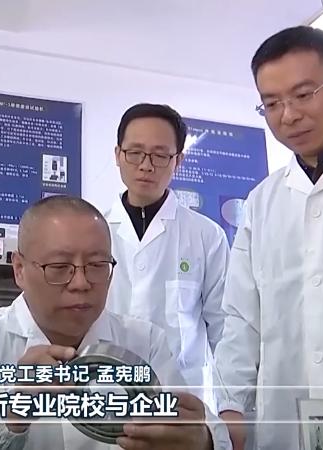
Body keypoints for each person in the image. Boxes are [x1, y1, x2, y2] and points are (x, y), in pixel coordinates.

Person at [0, 195, 231, 449]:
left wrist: (201, 441)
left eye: (97, 265)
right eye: (59, 267)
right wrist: (12, 414)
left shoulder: (145, 342)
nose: (81, 283)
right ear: (19, 270)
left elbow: (211, 430)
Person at [212, 26, 323, 449]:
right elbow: (241, 318)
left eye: (303, 94)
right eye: (271, 103)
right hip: (284, 425)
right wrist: (231, 406)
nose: (288, 115)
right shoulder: (263, 201)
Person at [103, 103, 229, 410]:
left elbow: (225, 330)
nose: (146, 166)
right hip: (104, 395)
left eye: (160, 155)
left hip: (181, 399)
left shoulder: (206, 236)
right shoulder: (94, 231)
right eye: (135, 153)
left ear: (178, 161)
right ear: (118, 155)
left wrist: (230, 405)